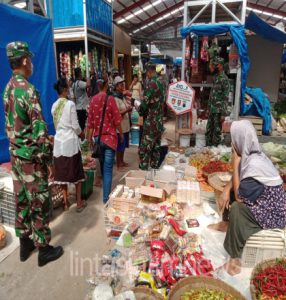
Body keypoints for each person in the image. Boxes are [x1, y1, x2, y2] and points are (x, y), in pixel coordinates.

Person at [3, 41, 63, 266]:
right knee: (39, 201)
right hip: (31, 158)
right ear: (25, 60)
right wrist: (48, 160)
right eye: (31, 59)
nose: (33, 63)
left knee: (22, 201)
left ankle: (25, 243)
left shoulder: (8, 88)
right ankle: (44, 249)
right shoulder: (28, 90)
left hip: (16, 157)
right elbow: (39, 129)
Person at [209, 120, 286, 275]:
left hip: (272, 215)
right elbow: (240, 180)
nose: (231, 142)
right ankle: (226, 223)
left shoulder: (254, 164)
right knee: (231, 187)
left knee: (238, 209)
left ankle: (235, 259)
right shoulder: (252, 155)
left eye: (233, 138)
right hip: (265, 205)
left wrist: (234, 163)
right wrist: (225, 190)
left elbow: (239, 197)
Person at [51, 78, 87, 212]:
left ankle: (66, 203)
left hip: (59, 142)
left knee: (62, 175)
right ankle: (78, 203)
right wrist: (82, 134)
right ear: (65, 90)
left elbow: (57, 125)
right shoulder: (70, 104)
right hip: (70, 142)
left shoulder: (54, 106)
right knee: (77, 173)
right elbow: (75, 126)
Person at [87, 74, 123, 203]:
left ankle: (105, 195)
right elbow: (117, 119)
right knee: (108, 171)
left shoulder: (93, 100)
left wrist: (89, 138)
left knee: (103, 168)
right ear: (107, 84)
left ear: (97, 85)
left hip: (98, 139)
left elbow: (90, 123)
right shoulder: (111, 99)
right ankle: (106, 199)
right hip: (110, 139)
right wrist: (122, 134)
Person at [137, 62, 164, 170]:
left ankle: (143, 175)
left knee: (144, 149)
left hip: (151, 122)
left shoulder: (152, 84)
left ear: (149, 71)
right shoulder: (161, 83)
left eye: (146, 73)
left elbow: (144, 105)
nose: (146, 76)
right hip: (159, 121)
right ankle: (154, 174)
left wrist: (138, 107)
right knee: (156, 149)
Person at [206, 57, 230, 146]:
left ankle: (216, 148)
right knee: (209, 129)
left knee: (216, 132)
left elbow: (225, 97)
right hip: (212, 109)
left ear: (221, 66)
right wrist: (208, 108)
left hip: (218, 110)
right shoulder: (216, 77)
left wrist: (223, 113)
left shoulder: (225, 79)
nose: (215, 66)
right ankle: (208, 147)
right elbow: (212, 94)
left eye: (217, 65)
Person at [113, 76, 132, 170]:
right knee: (119, 146)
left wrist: (128, 109)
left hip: (125, 125)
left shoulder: (122, 97)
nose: (123, 86)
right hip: (120, 126)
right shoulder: (115, 98)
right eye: (121, 85)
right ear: (116, 87)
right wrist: (126, 110)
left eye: (123, 84)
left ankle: (122, 161)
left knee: (123, 145)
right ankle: (118, 164)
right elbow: (116, 114)